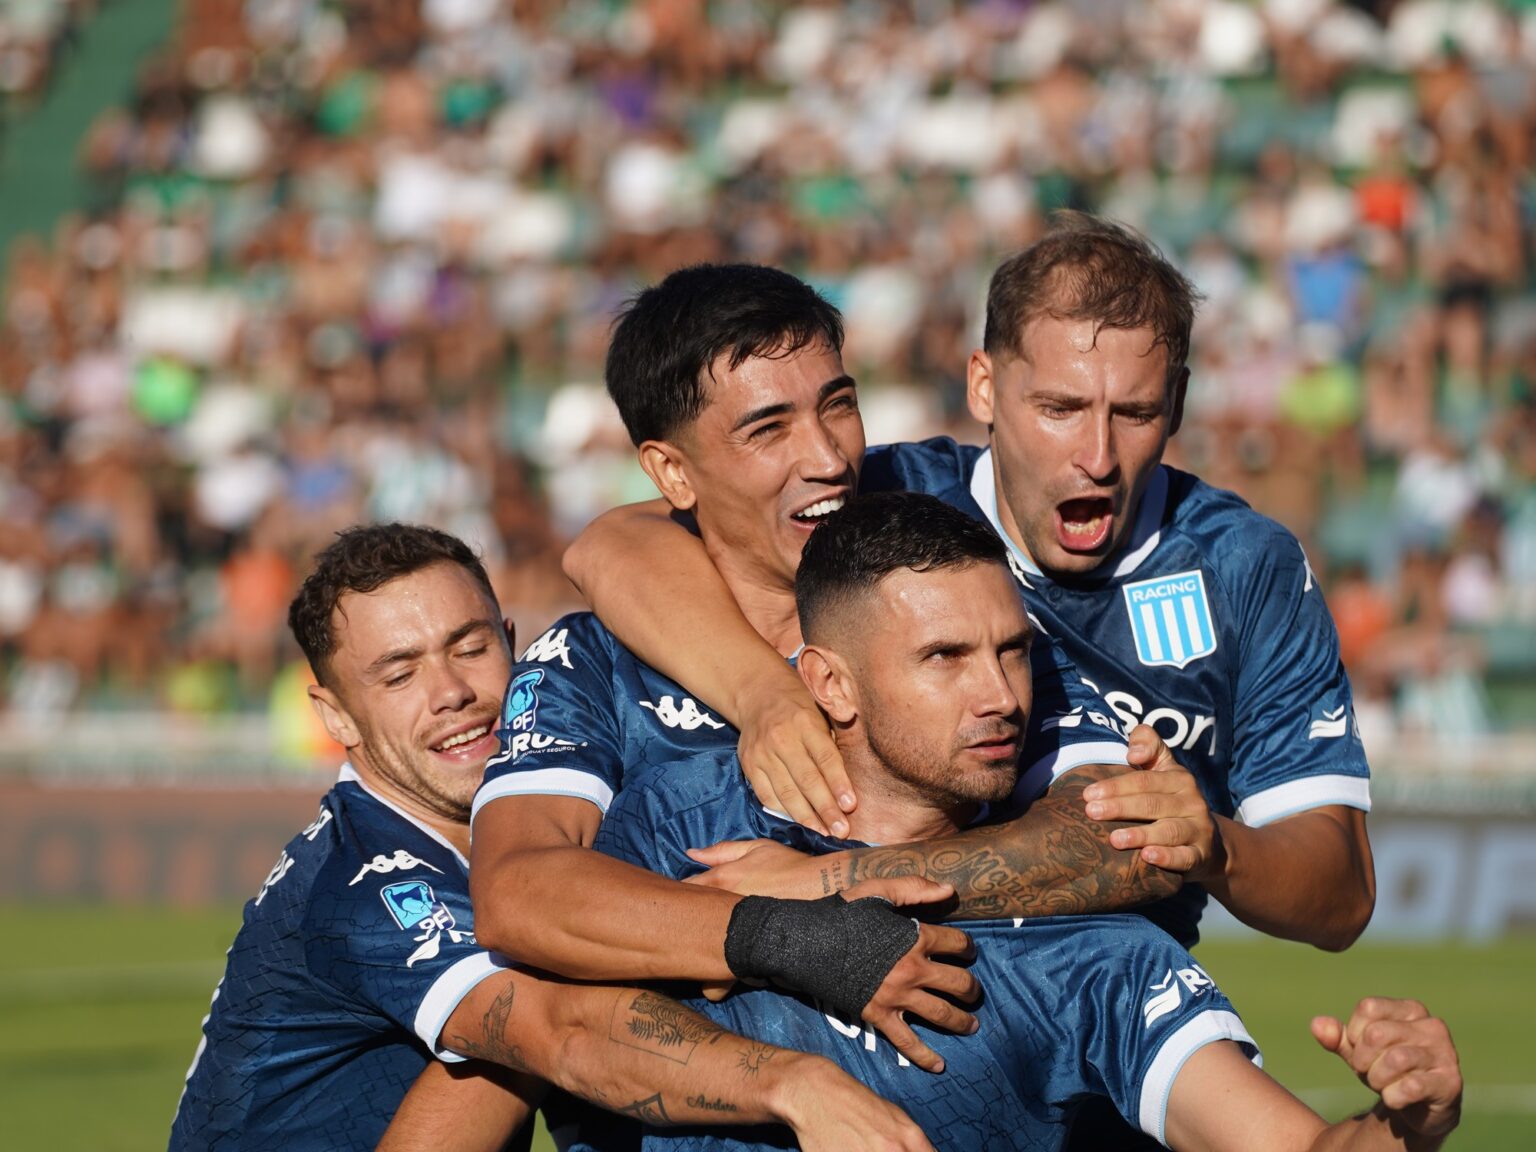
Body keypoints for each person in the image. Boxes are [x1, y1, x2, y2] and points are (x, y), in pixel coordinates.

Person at [563, 222, 1374, 954]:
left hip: (1114, 1002)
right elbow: (615, 544)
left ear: (1180, 404)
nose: (1096, 454)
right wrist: (763, 696)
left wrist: (1216, 848)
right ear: (983, 387)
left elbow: (1340, 897)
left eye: (1134, 412)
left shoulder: (1245, 568)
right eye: (1060, 407)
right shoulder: (887, 500)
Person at [577, 491, 1461, 1152]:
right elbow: (546, 1021)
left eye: (1012, 651)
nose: (1001, 696)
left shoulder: (1096, 946)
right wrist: (791, 1086)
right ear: (830, 682)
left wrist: (1406, 1125)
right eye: (945, 658)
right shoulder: (674, 822)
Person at [468, 264, 1182, 1076]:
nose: (828, 457)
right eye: (768, 429)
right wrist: (786, 937)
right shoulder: (591, 665)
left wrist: (843, 881)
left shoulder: (953, 621)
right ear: (671, 473)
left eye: (837, 406)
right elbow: (518, 894)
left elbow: (1125, 840)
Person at [168, 523, 937, 1152]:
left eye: (470, 647)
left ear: (515, 645)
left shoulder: (550, 802)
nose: (452, 694)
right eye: (398, 675)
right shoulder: (369, 881)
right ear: (335, 716)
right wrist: (799, 1082)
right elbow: (561, 1034)